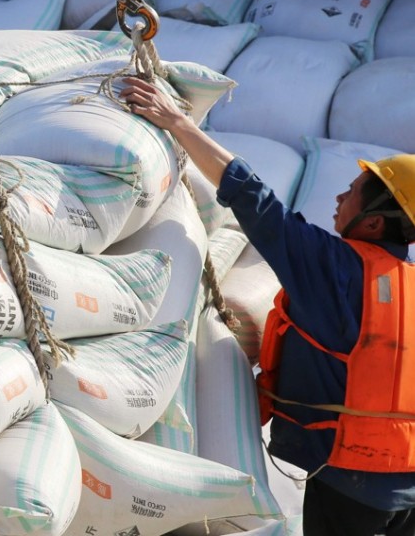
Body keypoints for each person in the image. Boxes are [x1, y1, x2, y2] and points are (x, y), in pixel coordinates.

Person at [119, 75, 415, 536]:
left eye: (353, 190)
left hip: (349, 481)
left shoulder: (334, 268)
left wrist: (177, 122)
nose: (339, 197)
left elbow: (253, 199)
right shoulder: (410, 284)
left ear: (374, 221)